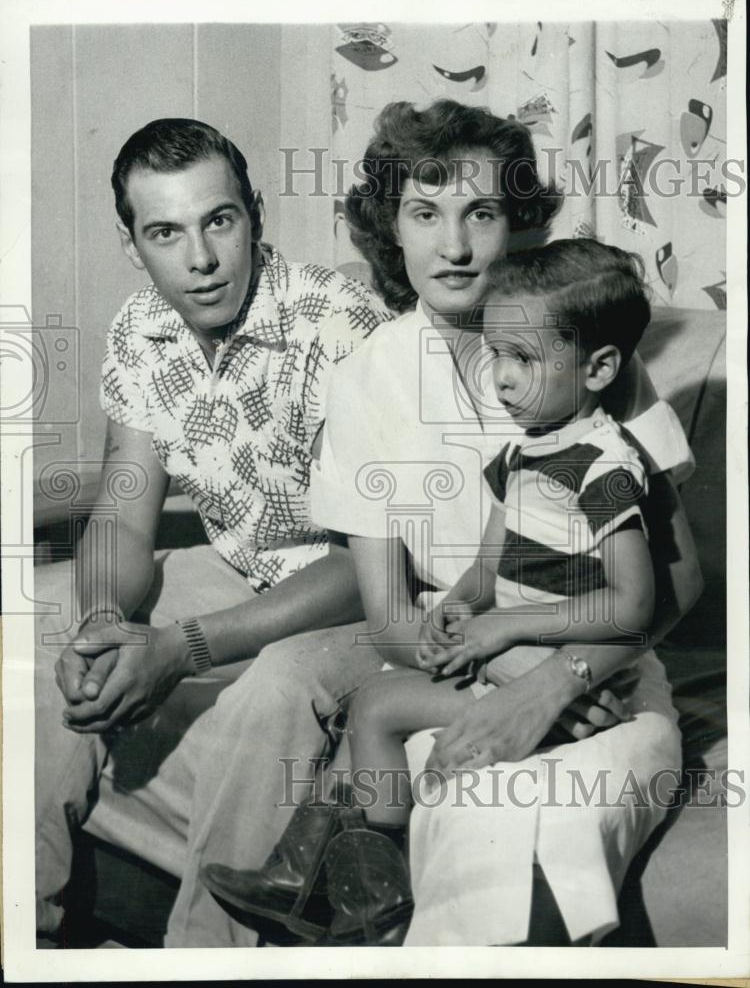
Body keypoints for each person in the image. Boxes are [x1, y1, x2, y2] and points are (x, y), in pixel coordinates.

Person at [203, 99, 701, 947]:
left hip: (610, 662)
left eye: (482, 213)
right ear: (389, 228)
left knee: (514, 827)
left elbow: (679, 582)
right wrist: (499, 666)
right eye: (425, 214)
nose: (457, 245)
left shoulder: (584, 355)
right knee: (297, 698)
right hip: (463, 654)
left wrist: (558, 680)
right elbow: (393, 615)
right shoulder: (368, 378)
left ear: (518, 224)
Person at [34, 117, 394, 942]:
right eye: (165, 232)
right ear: (134, 245)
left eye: (218, 222)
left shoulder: (340, 326)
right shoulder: (139, 331)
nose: (199, 260)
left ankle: (206, 952)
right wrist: (103, 623)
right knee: (45, 640)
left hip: (358, 587)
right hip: (242, 564)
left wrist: (180, 649)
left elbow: (361, 565)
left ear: (255, 215)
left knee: (265, 699)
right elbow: (124, 514)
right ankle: (30, 928)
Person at [342, 239, 658, 877]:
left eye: (523, 358)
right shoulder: (520, 455)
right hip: (511, 657)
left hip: (573, 675)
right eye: (495, 354)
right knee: (372, 701)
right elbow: (488, 570)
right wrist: (456, 610)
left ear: (597, 370)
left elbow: (635, 604)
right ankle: (372, 875)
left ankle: (382, 889)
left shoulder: (606, 466)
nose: (502, 377)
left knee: (390, 720)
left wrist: (506, 628)